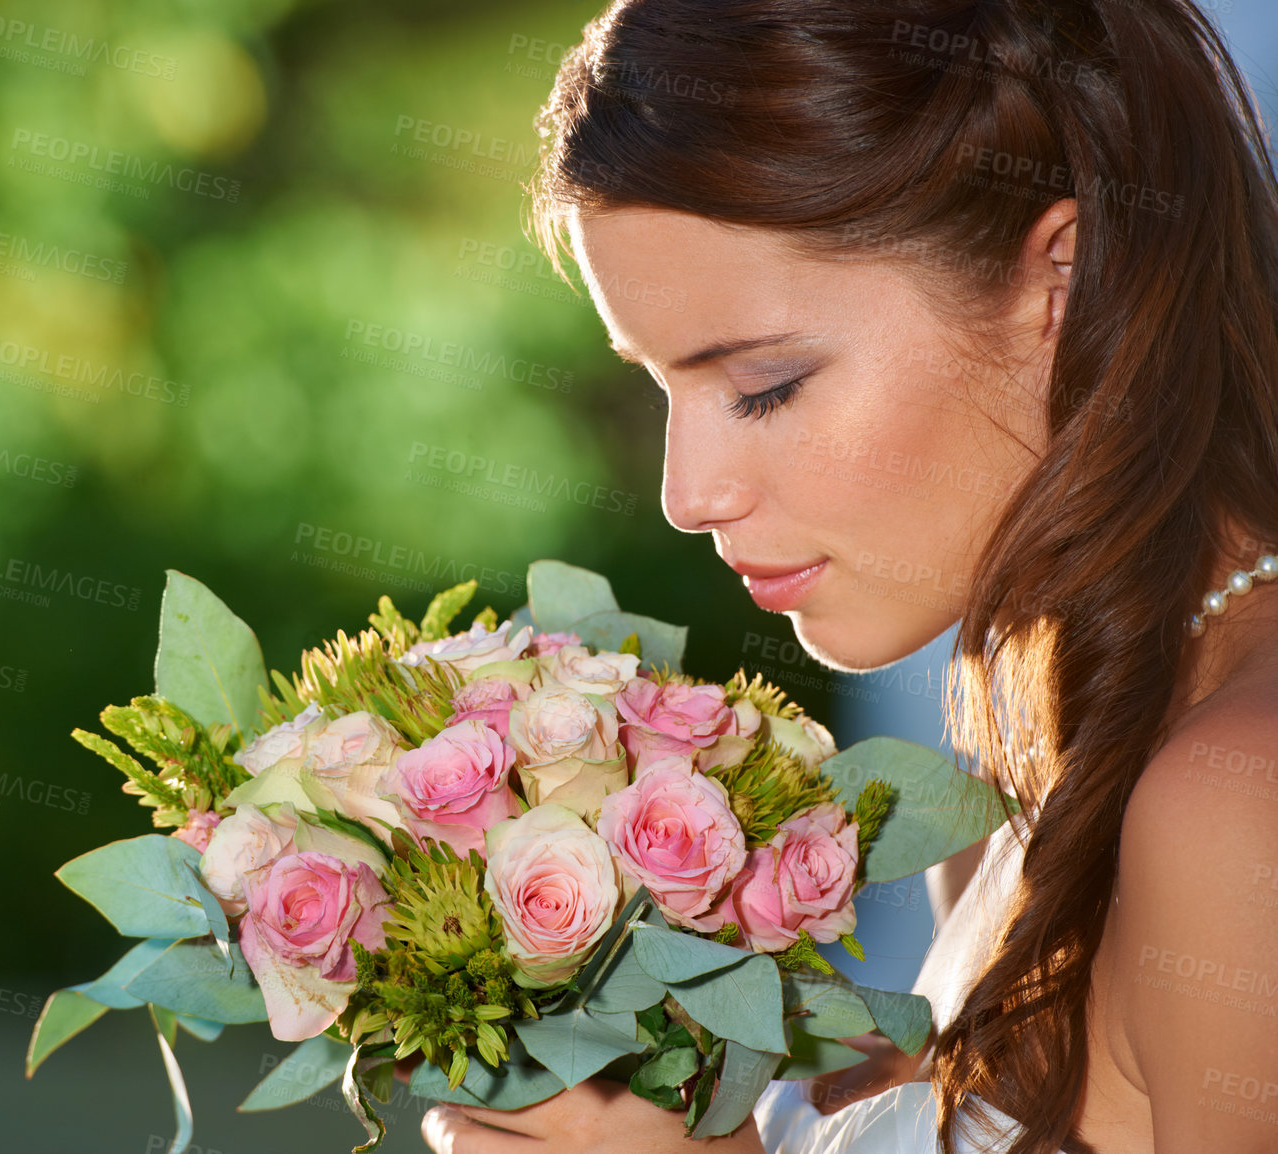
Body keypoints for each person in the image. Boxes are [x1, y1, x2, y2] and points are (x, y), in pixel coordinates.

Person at [419, 0, 1278, 1151]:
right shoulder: (1016, 771)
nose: (688, 494)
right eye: (660, 385)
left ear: (1058, 283)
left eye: (765, 384)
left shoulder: (1237, 802)